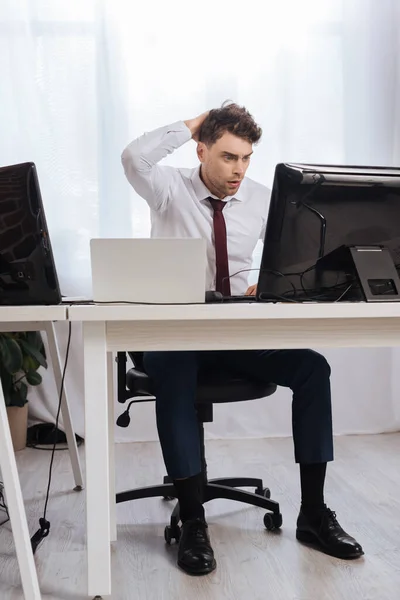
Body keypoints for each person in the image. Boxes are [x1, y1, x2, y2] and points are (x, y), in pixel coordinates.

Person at [121, 103, 363, 576]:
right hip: (173, 331)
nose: (238, 170)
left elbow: (287, 262)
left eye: (246, 158)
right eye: (228, 156)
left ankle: (313, 514)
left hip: (234, 330)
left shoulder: (262, 198)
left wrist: (269, 283)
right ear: (202, 150)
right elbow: (133, 158)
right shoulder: (168, 187)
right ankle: (193, 522)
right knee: (175, 376)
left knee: (313, 368)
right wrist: (197, 119)